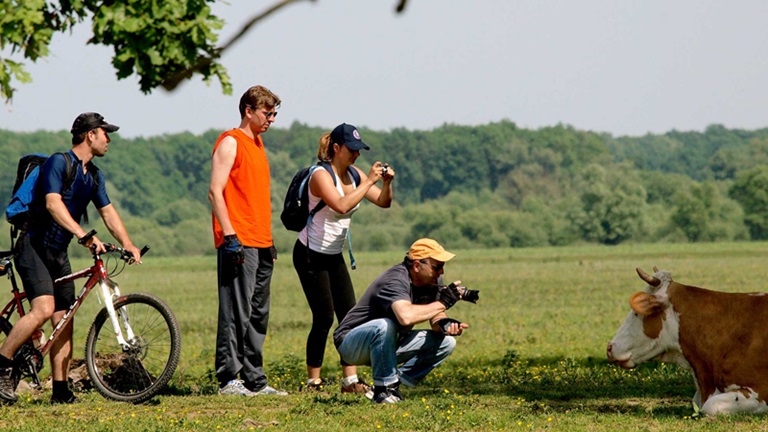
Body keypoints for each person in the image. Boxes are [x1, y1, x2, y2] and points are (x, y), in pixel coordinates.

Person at [0, 112, 144, 405]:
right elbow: (53, 204)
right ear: (90, 135)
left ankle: (61, 390)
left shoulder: (93, 176)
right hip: (33, 246)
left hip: (58, 252)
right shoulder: (58, 162)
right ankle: (2, 364)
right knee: (43, 309)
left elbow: (108, 213)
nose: (109, 139)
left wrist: (127, 244)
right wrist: (84, 235)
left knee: (64, 320)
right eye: (106, 133)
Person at [292, 123, 394, 396]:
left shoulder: (354, 174)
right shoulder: (320, 176)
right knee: (324, 316)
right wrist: (370, 181)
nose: (357, 155)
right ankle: (313, 382)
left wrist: (386, 184)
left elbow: (383, 202)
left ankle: (350, 380)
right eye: (352, 150)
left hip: (333, 255)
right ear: (336, 148)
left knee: (350, 317)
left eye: (359, 150)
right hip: (310, 254)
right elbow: (341, 205)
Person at [208, 85, 287, 397]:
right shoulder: (231, 141)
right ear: (249, 111)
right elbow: (216, 191)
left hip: (261, 240)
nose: (271, 119)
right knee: (235, 311)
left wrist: (268, 241)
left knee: (258, 313)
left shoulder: (258, 143)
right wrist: (230, 236)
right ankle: (229, 378)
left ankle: (255, 379)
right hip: (237, 239)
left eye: (274, 114)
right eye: (267, 113)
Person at [333, 238, 470, 404]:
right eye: (437, 267)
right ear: (417, 265)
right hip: (351, 343)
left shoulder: (432, 280)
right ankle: (384, 391)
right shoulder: (396, 280)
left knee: (446, 342)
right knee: (384, 325)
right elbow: (406, 317)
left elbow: (435, 315)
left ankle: (391, 385)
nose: (441, 272)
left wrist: (445, 325)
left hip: (386, 345)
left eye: (443, 266)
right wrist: (444, 302)